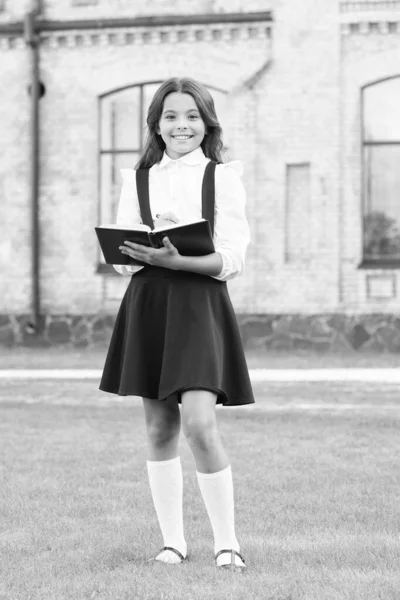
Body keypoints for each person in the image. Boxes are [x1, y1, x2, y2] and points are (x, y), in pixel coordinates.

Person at [99, 77, 255, 572]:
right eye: (170, 116)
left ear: (206, 122)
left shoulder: (222, 177)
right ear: (157, 125)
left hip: (199, 303)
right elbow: (124, 262)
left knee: (200, 422)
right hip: (150, 302)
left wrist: (178, 260)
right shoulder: (139, 179)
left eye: (191, 115)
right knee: (159, 425)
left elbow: (231, 258)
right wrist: (134, 250)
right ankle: (173, 543)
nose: (181, 124)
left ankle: (227, 544)